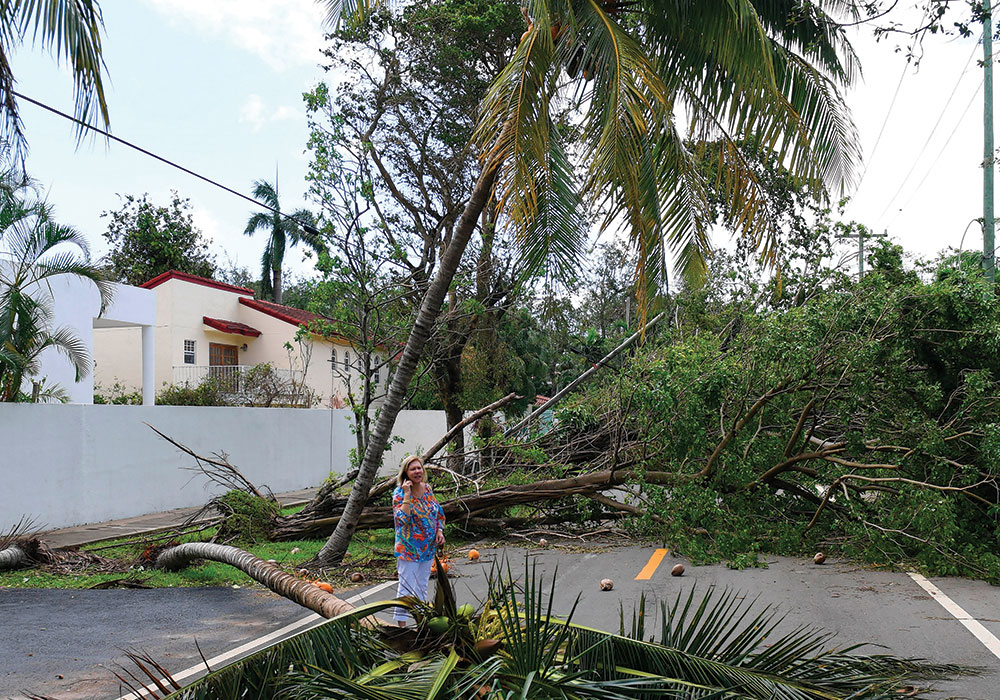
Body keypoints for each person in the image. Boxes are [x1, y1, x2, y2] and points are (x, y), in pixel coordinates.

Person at [392, 454, 445, 626]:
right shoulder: (399, 493)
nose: (417, 471)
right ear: (406, 472)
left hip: (427, 547)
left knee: (422, 586)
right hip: (408, 549)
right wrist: (407, 494)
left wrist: (440, 531)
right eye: (413, 468)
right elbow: (402, 520)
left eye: (419, 468)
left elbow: (438, 513)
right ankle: (401, 627)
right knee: (406, 587)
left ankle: (421, 624)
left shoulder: (427, 489)